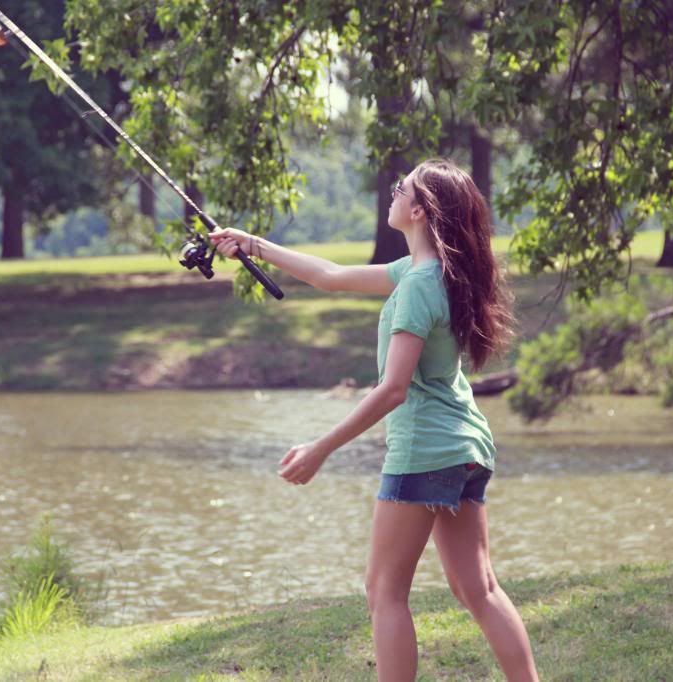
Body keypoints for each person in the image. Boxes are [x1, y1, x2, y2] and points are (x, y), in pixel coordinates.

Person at [209, 158, 540, 682]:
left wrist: (320, 447)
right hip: (468, 447)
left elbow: (393, 390)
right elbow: (331, 276)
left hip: (425, 450)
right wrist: (253, 244)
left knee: (384, 591)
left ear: (418, 209)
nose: (392, 192)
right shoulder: (432, 274)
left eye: (400, 187)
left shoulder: (417, 286)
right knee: (479, 588)